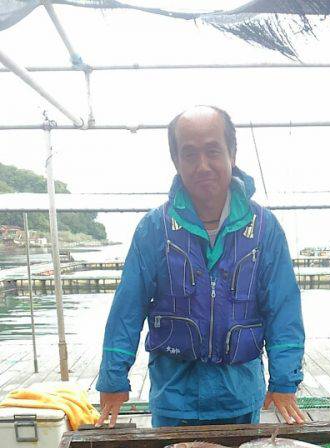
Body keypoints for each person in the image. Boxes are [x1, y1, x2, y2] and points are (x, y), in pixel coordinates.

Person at [96, 105, 306, 428]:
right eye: (190, 154)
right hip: (173, 402)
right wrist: (113, 379)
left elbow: (283, 309)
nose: (203, 165)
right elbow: (128, 307)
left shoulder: (265, 229)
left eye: (213, 151)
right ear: (176, 161)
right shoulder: (153, 229)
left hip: (240, 398)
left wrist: (284, 379)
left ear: (232, 154)